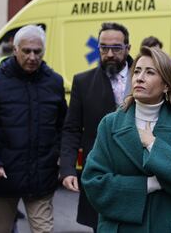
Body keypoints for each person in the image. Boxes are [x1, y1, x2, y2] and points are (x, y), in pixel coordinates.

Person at [81, 46, 171, 232]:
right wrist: (152, 183)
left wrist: (153, 144)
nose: (139, 77)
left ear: (166, 85)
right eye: (137, 71)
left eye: (150, 72)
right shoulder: (110, 124)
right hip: (122, 227)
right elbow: (93, 182)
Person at [0, 25, 67, 233]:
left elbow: (64, 126)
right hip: (2, 178)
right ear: (15, 50)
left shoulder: (54, 82)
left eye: (37, 52)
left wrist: (59, 157)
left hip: (41, 178)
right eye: (26, 51)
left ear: (44, 51)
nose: (32, 56)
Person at [60, 22, 133, 231]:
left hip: (137, 175)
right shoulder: (83, 82)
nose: (110, 53)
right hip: (99, 174)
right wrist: (67, 168)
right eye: (103, 48)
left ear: (127, 48)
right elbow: (72, 128)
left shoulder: (145, 75)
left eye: (116, 48)